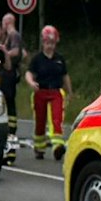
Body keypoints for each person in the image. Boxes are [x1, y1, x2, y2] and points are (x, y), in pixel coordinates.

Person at [26, 24, 70, 160]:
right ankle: (39, 147)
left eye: (51, 43)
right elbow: (29, 73)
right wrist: (31, 82)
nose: (49, 46)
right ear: (43, 42)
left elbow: (65, 76)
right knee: (40, 120)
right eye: (46, 43)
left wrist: (70, 92)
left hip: (56, 92)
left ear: (55, 43)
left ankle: (57, 147)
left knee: (56, 118)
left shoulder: (59, 59)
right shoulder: (37, 59)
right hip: (40, 92)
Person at [0, 13, 23, 145]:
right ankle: (9, 127)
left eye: (3, 23)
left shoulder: (13, 35)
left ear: (7, 22)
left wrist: (4, 52)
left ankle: (11, 129)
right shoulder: (10, 36)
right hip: (10, 72)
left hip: (10, 73)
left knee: (9, 101)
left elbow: (16, 51)